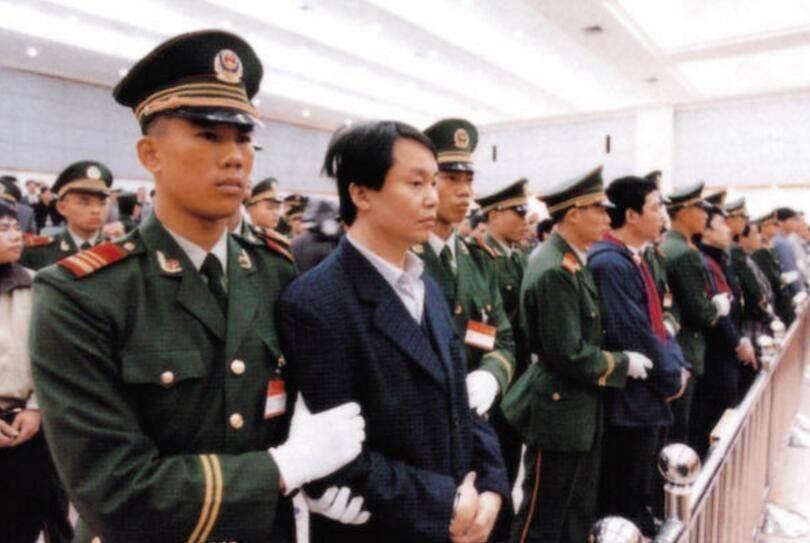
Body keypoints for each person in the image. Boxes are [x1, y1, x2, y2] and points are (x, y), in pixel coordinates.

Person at [30, 30, 365, 542]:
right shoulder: (82, 294)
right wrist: (283, 468)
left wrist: (333, 476)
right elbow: (111, 489)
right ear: (150, 154)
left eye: (244, 139)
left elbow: (316, 403)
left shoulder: (274, 269)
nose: (235, 157)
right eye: (209, 135)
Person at [278, 120, 509, 543]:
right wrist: (447, 504)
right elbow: (336, 457)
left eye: (433, 182)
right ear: (361, 193)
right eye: (415, 183)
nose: (432, 197)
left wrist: (492, 486)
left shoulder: (425, 287)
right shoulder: (317, 303)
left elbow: (460, 403)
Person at [504, 166, 652, 543]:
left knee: (575, 513)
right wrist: (622, 363)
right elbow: (567, 352)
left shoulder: (571, 259)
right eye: (598, 209)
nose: (607, 218)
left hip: (577, 408)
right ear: (573, 214)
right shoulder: (555, 268)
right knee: (543, 518)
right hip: (560, 411)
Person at [418, 119, 518, 537]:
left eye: (468, 180)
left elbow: (504, 337)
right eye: (450, 179)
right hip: (426, 436)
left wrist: (491, 375)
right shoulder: (407, 257)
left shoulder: (477, 259)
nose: (464, 191)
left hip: (480, 427)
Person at [588, 176, 686, 535]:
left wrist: (678, 365)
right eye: (656, 207)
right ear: (631, 214)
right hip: (628, 399)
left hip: (646, 394)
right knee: (623, 495)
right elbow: (633, 332)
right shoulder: (610, 263)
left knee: (639, 486)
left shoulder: (634, 258)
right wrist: (671, 377)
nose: (663, 215)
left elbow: (660, 323)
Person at [0, 202, 73, 543]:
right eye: (3, 229)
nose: (15, 236)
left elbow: (54, 354)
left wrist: (35, 407)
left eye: (16, 227)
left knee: (27, 522)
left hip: (26, 427)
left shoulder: (37, 285)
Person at [659, 182, 727, 446]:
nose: (705, 216)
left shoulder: (671, 245)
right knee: (678, 432)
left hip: (675, 346)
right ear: (685, 212)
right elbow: (699, 311)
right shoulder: (684, 253)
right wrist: (716, 307)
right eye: (700, 209)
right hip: (685, 348)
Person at [693, 195, 756, 454]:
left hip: (728, 351)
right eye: (722, 225)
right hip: (716, 354)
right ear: (706, 231)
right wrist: (737, 342)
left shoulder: (720, 258)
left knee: (725, 415)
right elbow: (717, 312)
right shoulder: (704, 260)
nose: (729, 229)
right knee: (712, 422)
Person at [20, 161, 112, 270]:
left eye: (102, 203)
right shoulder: (36, 253)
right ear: (61, 207)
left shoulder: (120, 253)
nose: (96, 210)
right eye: (84, 202)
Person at [754, 210, 797, 326]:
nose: (777, 226)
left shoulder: (770, 246)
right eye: (774, 224)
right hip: (778, 303)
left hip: (785, 298)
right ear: (763, 226)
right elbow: (771, 279)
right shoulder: (760, 250)